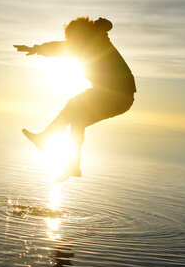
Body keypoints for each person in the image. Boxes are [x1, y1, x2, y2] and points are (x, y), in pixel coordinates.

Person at [15, 17, 136, 182]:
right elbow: (60, 48)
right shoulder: (83, 45)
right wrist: (36, 49)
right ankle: (72, 166)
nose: (71, 42)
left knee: (75, 105)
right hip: (115, 96)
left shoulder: (98, 38)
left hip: (118, 94)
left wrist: (99, 25)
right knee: (78, 120)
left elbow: (107, 26)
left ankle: (46, 140)